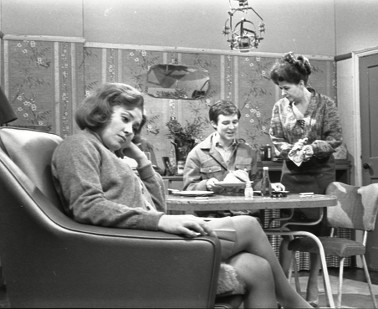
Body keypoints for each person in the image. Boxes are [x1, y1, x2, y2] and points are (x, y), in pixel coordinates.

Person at [51, 82, 312, 309]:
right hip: (131, 250)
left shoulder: (114, 155)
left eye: (136, 124)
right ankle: (292, 302)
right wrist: (161, 222)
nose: (131, 129)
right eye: (125, 118)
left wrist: (142, 160)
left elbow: (157, 204)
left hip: (146, 242)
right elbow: (87, 206)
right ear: (102, 112)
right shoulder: (78, 145)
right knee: (249, 225)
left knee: (257, 267)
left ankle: (289, 302)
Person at [269, 52, 343, 307]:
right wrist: (288, 150)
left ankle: (313, 286)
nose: (283, 93)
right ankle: (283, 289)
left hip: (319, 175)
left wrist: (313, 148)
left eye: (286, 87)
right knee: (287, 231)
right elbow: (276, 138)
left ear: (301, 84)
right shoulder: (280, 107)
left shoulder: (326, 105)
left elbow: (335, 139)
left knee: (317, 233)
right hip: (292, 174)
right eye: (280, 88)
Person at [183, 100, 284, 216]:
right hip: (211, 217)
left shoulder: (248, 151)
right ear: (214, 124)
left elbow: (255, 183)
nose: (231, 127)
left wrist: (270, 186)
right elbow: (188, 189)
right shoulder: (197, 153)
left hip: (244, 214)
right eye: (226, 123)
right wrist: (206, 185)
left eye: (234, 122)